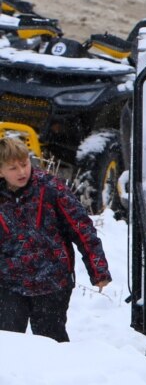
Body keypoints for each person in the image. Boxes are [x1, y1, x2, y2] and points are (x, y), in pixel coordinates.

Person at [0, 134, 111, 341]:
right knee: (7, 341)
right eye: (13, 168)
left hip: (52, 281)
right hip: (10, 283)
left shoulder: (50, 188)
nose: (22, 171)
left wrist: (98, 269)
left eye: (24, 164)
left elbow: (82, 228)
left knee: (51, 340)